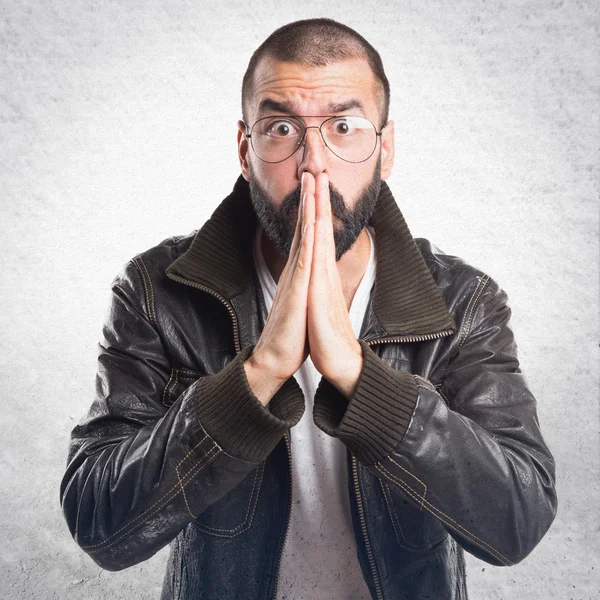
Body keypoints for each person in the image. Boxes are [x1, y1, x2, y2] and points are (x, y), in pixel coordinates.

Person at [60, 18, 557, 600]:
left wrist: (356, 373)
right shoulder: (156, 291)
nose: (313, 164)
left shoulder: (464, 303)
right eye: (281, 128)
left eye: (344, 127)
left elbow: (517, 522)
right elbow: (100, 523)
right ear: (246, 150)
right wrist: (259, 373)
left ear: (385, 148)